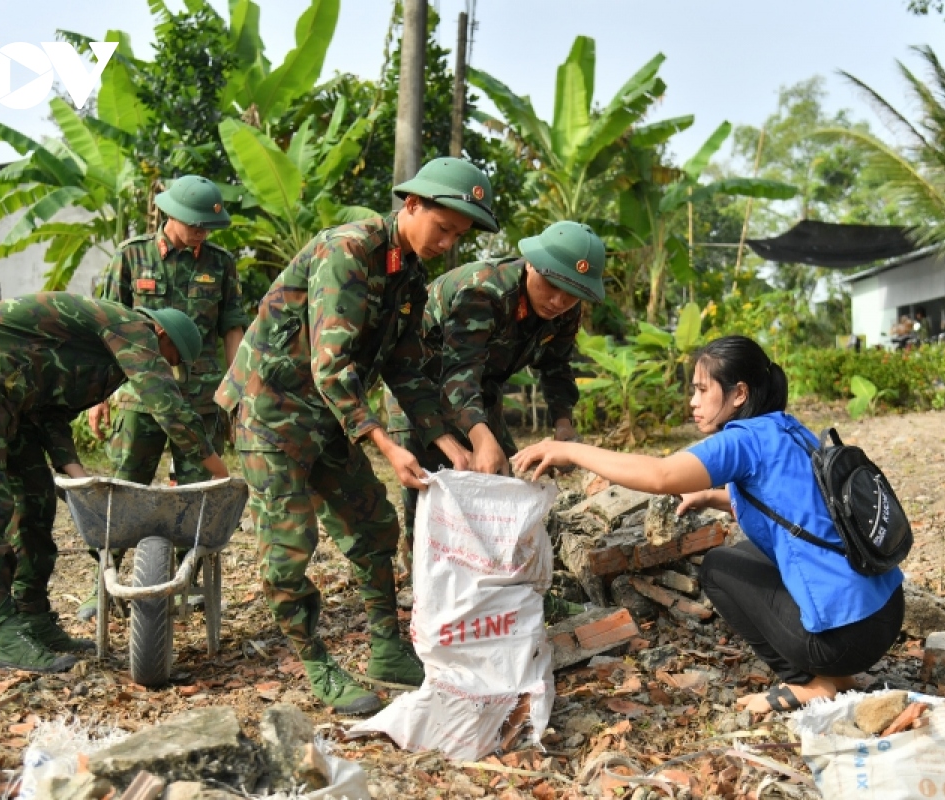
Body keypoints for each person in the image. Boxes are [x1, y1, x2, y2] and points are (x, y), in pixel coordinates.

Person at [216, 157, 498, 715]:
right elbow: (332, 365)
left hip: (326, 414)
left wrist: (448, 443)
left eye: (459, 236)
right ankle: (316, 659)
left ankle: (386, 649)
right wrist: (387, 445)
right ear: (411, 204)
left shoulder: (410, 275)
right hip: (270, 411)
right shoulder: (349, 251)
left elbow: (407, 368)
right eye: (443, 227)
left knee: (373, 521)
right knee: (288, 544)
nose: (448, 242)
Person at [511, 335, 905, 713]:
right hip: (886, 613)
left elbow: (660, 475)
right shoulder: (785, 426)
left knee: (719, 568)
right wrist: (713, 497)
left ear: (738, 394)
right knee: (749, 552)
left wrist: (568, 449)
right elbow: (796, 509)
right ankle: (841, 675)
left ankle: (808, 682)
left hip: (845, 641)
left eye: (702, 390)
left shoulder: (741, 441)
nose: (693, 402)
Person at [0, 293, 228, 674]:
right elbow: (168, 408)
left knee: (37, 501)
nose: (164, 366)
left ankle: (34, 617)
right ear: (160, 333)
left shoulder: (107, 361)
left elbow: (50, 411)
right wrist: (219, 473)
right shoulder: (132, 328)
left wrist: (77, 474)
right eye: (168, 358)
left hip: (16, 398)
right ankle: (8, 633)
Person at [386, 220, 604, 594]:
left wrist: (564, 425)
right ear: (532, 264)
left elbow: (556, 367)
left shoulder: (565, 309)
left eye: (572, 294)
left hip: (479, 388)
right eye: (553, 286)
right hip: (419, 386)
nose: (559, 301)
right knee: (428, 489)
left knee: (502, 481)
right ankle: (423, 584)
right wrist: (479, 436)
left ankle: (492, 577)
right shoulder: (485, 290)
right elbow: (457, 372)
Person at [77, 175, 249, 622]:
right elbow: (105, 326)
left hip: (201, 396)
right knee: (122, 488)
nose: (200, 233)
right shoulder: (131, 256)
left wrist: (235, 390)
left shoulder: (221, 263)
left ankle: (186, 585)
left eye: (207, 227)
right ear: (169, 214)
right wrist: (100, 394)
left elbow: (232, 326)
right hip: (138, 396)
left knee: (196, 495)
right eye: (193, 224)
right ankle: (105, 585)